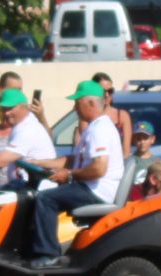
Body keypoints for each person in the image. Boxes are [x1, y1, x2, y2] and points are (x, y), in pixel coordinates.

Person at [29, 81, 120, 264]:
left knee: (45, 199)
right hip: (88, 186)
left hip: (96, 191)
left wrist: (69, 175)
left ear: (91, 104)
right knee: (39, 194)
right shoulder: (93, 128)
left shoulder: (100, 130)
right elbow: (72, 160)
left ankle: (48, 256)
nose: (74, 108)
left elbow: (99, 168)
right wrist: (38, 162)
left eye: (77, 103)